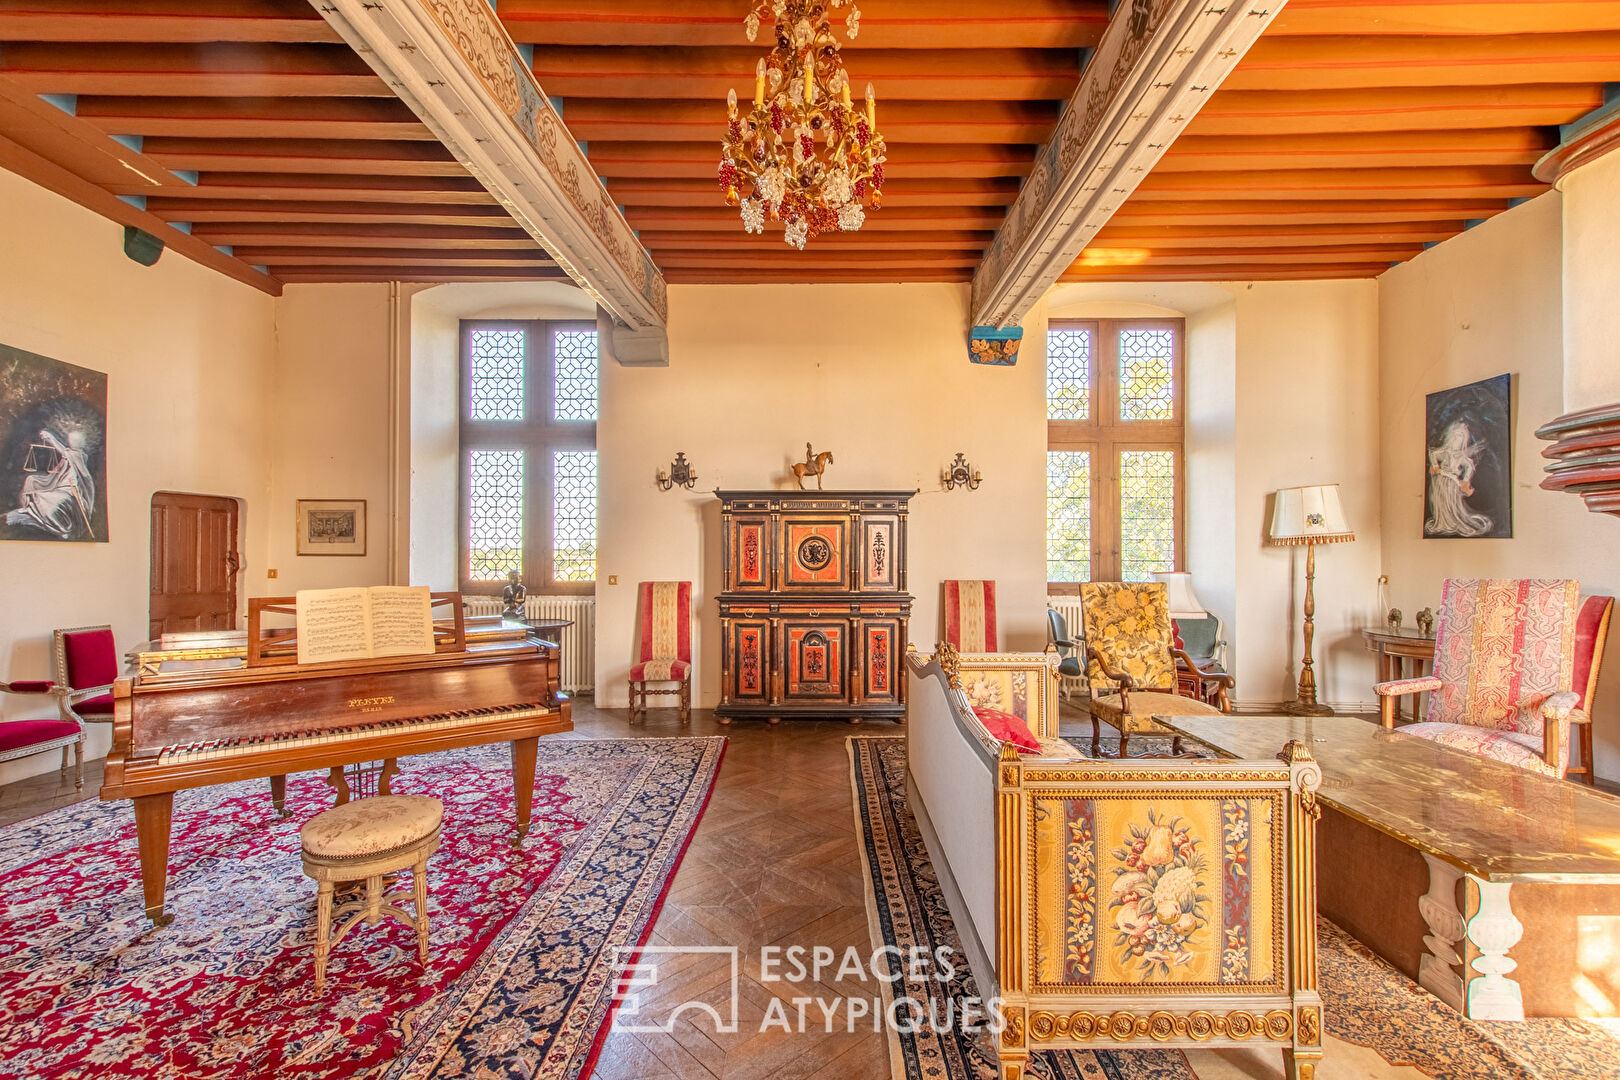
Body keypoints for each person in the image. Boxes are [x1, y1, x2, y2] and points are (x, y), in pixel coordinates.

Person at [6, 427, 94, 539]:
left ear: (81, 443)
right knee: (31, 480)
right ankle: (28, 507)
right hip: (58, 485)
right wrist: (49, 439)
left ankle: (51, 523)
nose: (72, 442)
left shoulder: (79, 455)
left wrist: (51, 439)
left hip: (69, 490)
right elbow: (65, 452)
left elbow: (65, 452)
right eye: (71, 440)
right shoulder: (71, 453)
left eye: (75, 441)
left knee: (48, 500)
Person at [1425, 420, 1492, 537]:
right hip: (1440, 482)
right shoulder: (1444, 452)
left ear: (1464, 440)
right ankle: (1442, 522)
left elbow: (1469, 465)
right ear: (1450, 437)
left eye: (1460, 437)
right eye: (1455, 436)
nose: (1457, 439)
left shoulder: (1461, 456)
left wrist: (1465, 480)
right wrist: (1435, 466)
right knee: (1441, 501)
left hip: (1452, 484)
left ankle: (1450, 522)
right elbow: (1433, 454)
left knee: (1451, 503)